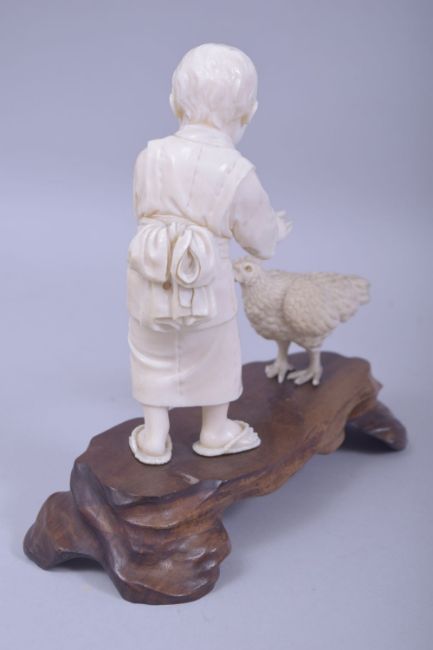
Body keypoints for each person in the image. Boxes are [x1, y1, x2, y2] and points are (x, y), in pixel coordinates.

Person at [127, 43, 289, 464]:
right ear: (249, 112)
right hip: (205, 280)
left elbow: (142, 209)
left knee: (151, 349)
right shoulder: (236, 171)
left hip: (153, 274)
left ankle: (154, 434)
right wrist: (276, 231)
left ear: (173, 101)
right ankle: (215, 430)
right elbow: (259, 239)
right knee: (215, 352)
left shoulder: (149, 156)